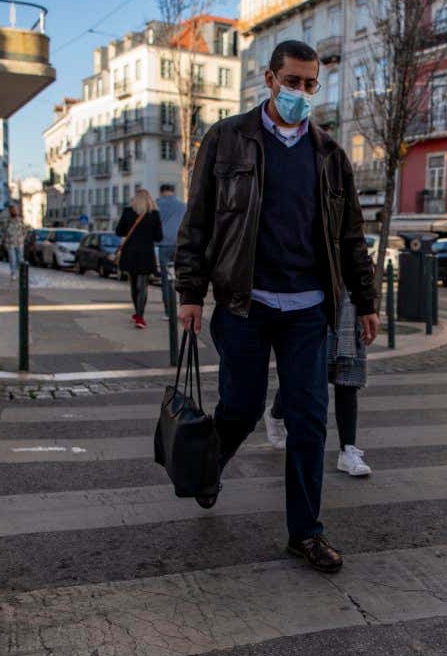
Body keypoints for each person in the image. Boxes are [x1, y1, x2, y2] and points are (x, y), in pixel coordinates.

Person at [175, 39, 379, 574]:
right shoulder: (227, 139)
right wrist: (190, 293)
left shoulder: (330, 155)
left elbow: (351, 236)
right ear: (270, 80)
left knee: (309, 421)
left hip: (309, 309)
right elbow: (198, 220)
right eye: (293, 82)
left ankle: (305, 533)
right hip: (245, 302)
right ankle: (210, 467)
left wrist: (366, 300)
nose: (302, 92)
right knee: (240, 409)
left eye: (311, 84)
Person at [264, 288, 371, 477]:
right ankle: (275, 413)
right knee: (302, 375)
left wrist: (368, 307)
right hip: (316, 304)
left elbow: (362, 275)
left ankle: (348, 449)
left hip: (349, 307)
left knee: (347, 376)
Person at [115, 188, 163, 329]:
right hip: (146, 254)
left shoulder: (128, 212)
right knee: (143, 286)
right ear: (149, 199)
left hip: (130, 253)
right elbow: (159, 237)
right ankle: (140, 316)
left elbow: (119, 231)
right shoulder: (154, 214)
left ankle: (137, 312)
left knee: (133, 285)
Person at [156, 184, 187, 321]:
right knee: (181, 278)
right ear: (173, 191)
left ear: (162, 192)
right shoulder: (182, 206)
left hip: (163, 245)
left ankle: (168, 312)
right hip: (180, 245)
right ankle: (182, 309)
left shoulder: (157, 205)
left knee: (166, 279)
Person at [2, 203, 26, 281]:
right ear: (10, 211)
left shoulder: (20, 220)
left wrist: (22, 239)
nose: (13, 211)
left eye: (15, 210)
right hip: (10, 243)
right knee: (12, 259)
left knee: (20, 259)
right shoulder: (7, 221)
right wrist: (5, 241)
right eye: (12, 210)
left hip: (19, 243)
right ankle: (13, 273)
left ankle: (21, 273)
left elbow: (24, 231)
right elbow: (3, 232)